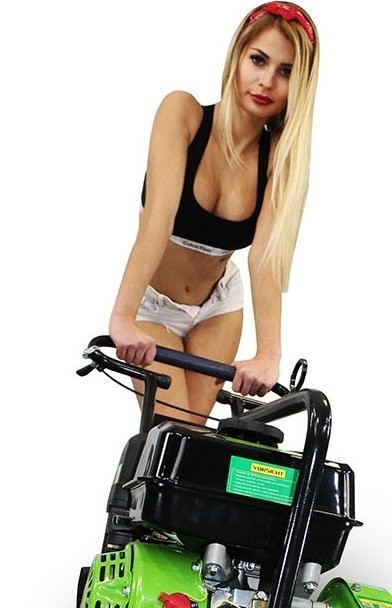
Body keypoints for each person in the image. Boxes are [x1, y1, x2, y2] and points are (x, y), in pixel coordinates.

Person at [109, 3, 319, 423]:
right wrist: (122, 316)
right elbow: (158, 221)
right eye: (258, 60)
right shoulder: (182, 113)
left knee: (196, 441)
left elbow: (265, 258)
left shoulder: (278, 157)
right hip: (154, 303)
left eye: (286, 71)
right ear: (237, 56)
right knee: (173, 430)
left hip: (218, 307)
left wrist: (269, 354)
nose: (267, 81)